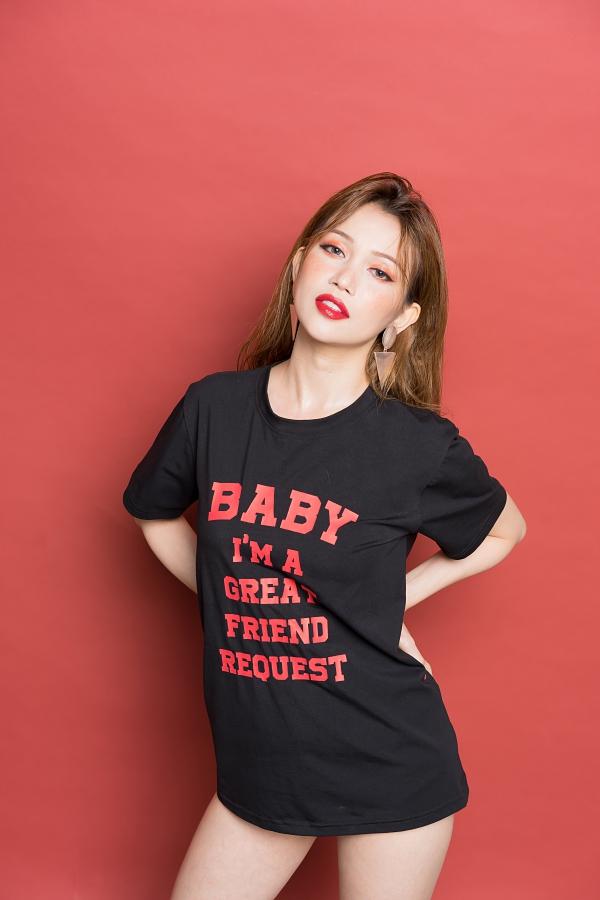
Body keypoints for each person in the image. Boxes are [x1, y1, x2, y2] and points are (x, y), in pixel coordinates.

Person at [122, 172, 526, 900]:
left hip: (388, 755)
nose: (344, 277)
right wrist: (234, 594)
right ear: (300, 261)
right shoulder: (214, 410)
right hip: (262, 766)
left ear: (402, 316)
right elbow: (153, 512)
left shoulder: (415, 446)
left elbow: (505, 531)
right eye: (335, 250)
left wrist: (393, 600)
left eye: (380, 272)